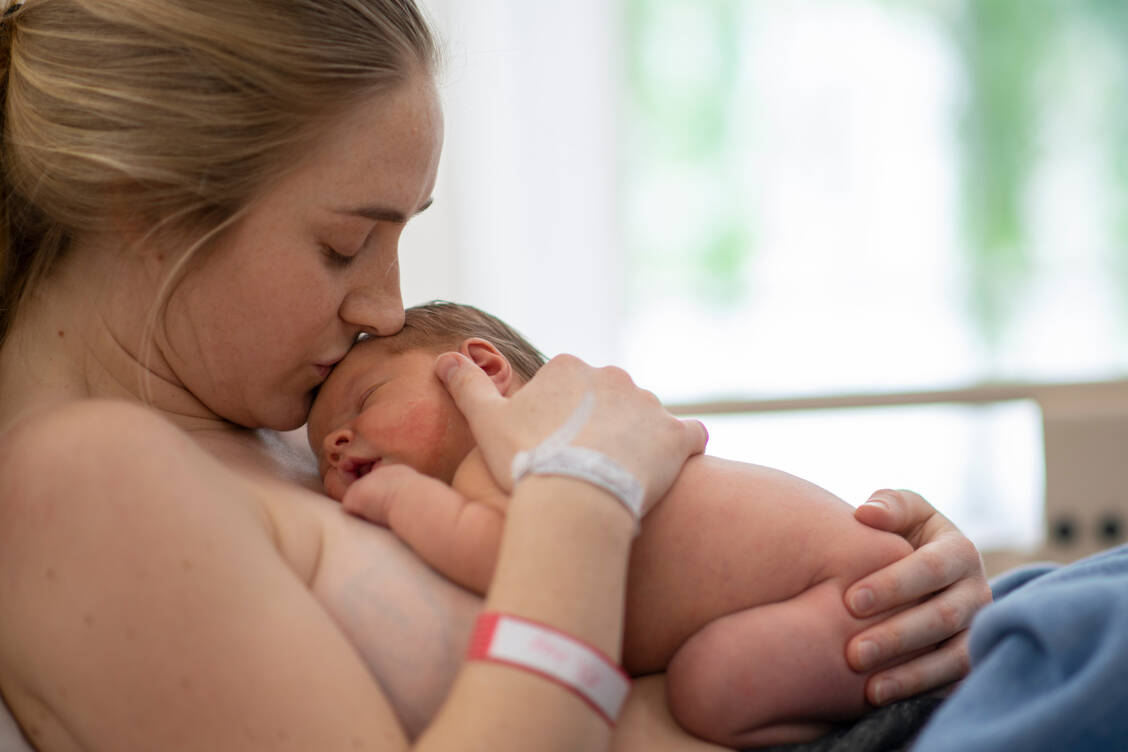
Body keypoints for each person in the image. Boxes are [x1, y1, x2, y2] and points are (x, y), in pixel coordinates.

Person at [0, 2, 989, 751]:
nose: (384, 307)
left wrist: (889, 592)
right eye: (346, 245)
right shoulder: (80, 485)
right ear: (152, 209)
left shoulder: (274, 425)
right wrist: (583, 497)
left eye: (401, 235)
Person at [307, 301, 932, 748]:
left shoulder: (521, 446)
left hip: (846, 593)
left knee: (708, 690)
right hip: (845, 582)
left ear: (482, 369)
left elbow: (518, 559)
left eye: (365, 403)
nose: (336, 443)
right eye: (319, 454)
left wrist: (400, 500)